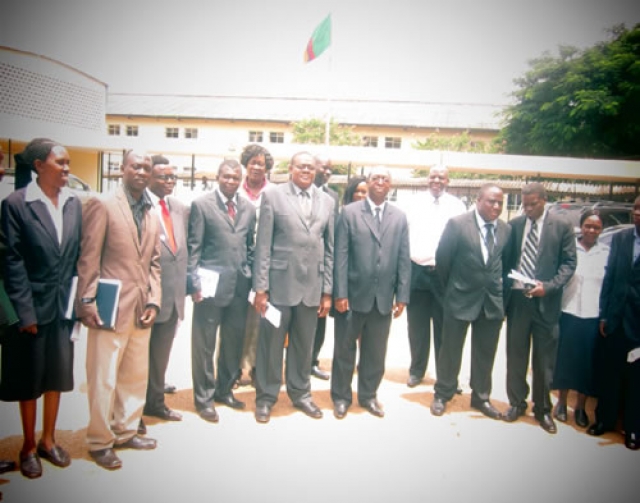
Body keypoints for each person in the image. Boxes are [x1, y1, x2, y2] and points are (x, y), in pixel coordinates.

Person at [0, 139, 82, 478]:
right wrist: (24, 312)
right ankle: (28, 446)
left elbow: (77, 256)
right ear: (38, 166)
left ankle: (49, 441)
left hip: (63, 309)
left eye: (68, 163)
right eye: (60, 163)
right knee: (30, 381)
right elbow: (11, 260)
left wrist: (79, 303)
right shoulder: (17, 204)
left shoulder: (73, 203)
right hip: (32, 310)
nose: (67, 169)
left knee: (56, 378)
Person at [76, 149, 161, 470]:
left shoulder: (151, 210)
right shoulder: (103, 204)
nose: (141, 172)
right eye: (135, 166)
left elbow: (154, 262)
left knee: (134, 376)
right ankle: (100, 441)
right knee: (103, 377)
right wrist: (86, 300)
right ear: (122, 169)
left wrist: (154, 299)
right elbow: (89, 256)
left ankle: (126, 431)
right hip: (107, 307)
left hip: (141, 308)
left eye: (146, 168)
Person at [252, 151, 334, 423]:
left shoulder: (328, 201)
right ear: (291, 169)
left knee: (304, 346)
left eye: (311, 167)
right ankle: (266, 397)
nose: (306, 171)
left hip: (312, 287)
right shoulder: (273, 196)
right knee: (271, 345)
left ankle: (301, 394)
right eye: (301, 166)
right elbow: (263, 245)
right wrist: (261, 288)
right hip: (279, 286)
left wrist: (327, 291)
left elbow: (330, 249)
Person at [331, 167, 411, 419]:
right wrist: (340, 293)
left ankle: (368, 396)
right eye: (375, 178)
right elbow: (340, 256)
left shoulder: (399, 217)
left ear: (390, 186)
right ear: (368, 182)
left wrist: (403, 296)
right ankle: (341, 397)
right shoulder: (350, 213)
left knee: (375, 352)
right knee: (344, 350)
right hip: (352, 297)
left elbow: (403, 258)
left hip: (383, 299)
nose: (380, 182)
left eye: (385, 179)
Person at [430, 184, 510, 420]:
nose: (496, 207)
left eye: (500, 203)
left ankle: (481, 397)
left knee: (485, 352)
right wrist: (450, 293)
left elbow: (507, 265)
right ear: (478, 200)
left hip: (491, 302)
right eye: (491, 201)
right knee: (450, 350)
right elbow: (442, 261)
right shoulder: (458, 224)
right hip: (459, 298)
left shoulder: (506, 230)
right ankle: (443, 393)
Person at [504, 182, 577, 434]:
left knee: (544, 360)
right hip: (518, 300)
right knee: (515, 355)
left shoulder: (562, 226)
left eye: (532, 204)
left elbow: (569, 264)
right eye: (524, 205)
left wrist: (548, 287)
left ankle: (543, 409)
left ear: (545, 200)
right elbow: (506, 261)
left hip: (546, 301)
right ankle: (516, 403)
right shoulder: (514, 225)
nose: (527, 209)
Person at [187, 159, 256, 422]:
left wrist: (249, 276)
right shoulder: (201, 205)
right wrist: (194, 283)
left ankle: (224, 390)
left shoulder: (248, 208)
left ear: (241, 180)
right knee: (204, 345)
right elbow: (194, 247)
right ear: (218, 177)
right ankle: (204, 398)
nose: (231, 181)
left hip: (239, 287)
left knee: (232, 342)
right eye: (226, 176)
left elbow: (250, 246)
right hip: (209, 287)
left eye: (236, 177)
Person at [405, 165, 466, 388]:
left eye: (441, 177)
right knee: (417, 327)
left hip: (445, 275)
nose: (436, 180)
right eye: (433, 176)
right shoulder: (413, 203)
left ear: (448, 181)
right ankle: (417, 371)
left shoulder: (457, 206)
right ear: (427, 179)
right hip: (417, 271)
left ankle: (446, 376)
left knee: (445, 328)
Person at [587, 195, 640, 450]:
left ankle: (632, 429)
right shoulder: (621, 238)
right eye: (637, 208)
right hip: (615, 320)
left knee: (636, 380)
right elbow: (609, 278)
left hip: (638, 326)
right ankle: (604, 421)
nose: (638, 213)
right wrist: (604, 315)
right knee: (610, 375)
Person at [141, 155, 189, 425]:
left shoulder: (179, 207)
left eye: (172, 177)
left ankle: (155, 402)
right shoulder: (140, 206)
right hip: (147, 296)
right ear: (149, 178)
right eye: (163, 177)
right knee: (138, 359)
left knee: (161, 355)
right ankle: (133, 411)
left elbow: (183, 251)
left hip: (174, 296)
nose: (169, 181)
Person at [552, 210, 608, 428]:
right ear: (581, 227)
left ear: (601, 230)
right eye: (588, 225)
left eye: (596, 227)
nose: (591, 230)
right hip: (568, 310)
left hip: (593, 316)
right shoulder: (569, 249)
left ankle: (581, 408)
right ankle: (562, 403)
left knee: (587, 365)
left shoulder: (606, 252)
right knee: (564, 361)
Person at [237, 144, 274, 387]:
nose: (257, 167)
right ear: (246, 164)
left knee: (261, 319)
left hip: (266, 264)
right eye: (253, 162)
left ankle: (256, 367)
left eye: (261, 163)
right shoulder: (233, 189)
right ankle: (234, 368)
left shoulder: (274, 193)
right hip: (239, 262)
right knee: (236, 319)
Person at [311, 153, 339, 381]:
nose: (328, 172)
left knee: (319, 320)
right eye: (325, 167)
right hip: (294, 271)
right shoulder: (288, 193)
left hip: (320, 270)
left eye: (331, 169)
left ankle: (312, 361)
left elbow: (332, 237)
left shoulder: (332, 197)